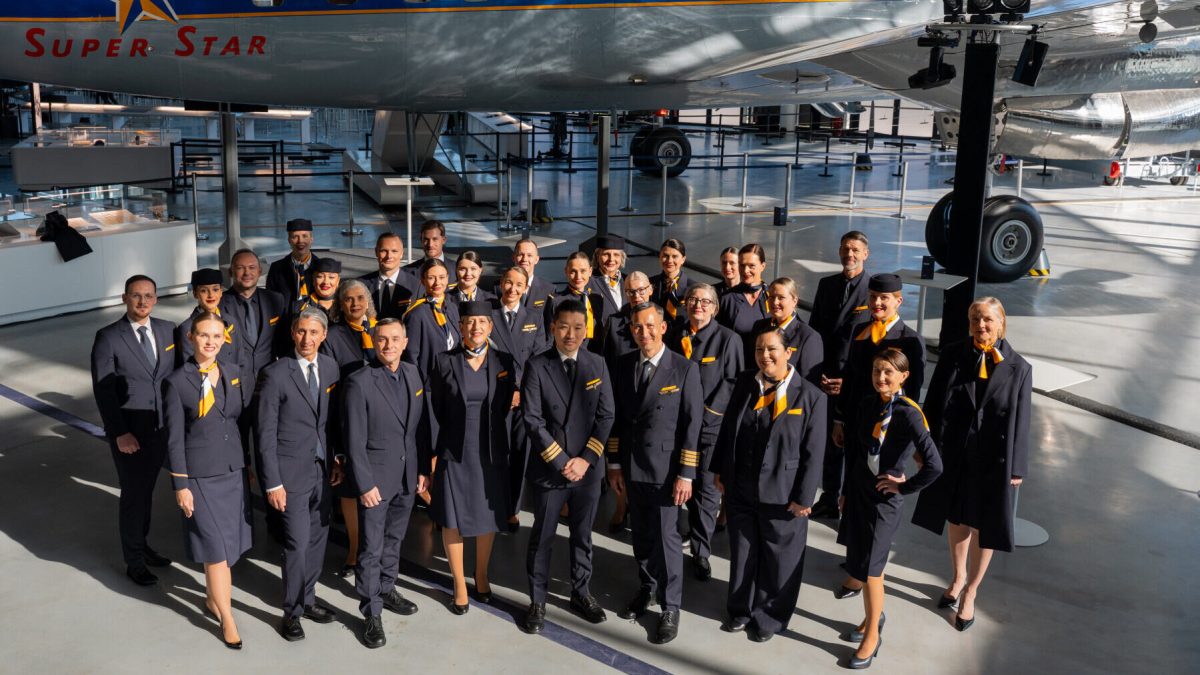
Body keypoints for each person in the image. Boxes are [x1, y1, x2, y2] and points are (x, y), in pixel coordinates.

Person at [912, 298, 1032, 632]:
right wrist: (924, 448)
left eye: (989, 320)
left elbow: (1022, 421)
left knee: (985, 526)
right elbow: (933, 402)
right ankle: (957, 576)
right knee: (958, 517)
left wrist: (1017, 467)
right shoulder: (953, 354)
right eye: (976, 319)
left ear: (1002, 322)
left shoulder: (1019, 367)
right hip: (955, 452)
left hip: (993, 460)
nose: (982, 326)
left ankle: (971, 591)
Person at [712, 329, 826, 642]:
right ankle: (740, 609)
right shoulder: (747, 383)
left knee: (780, 560)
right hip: (742, 487)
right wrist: (720, 469)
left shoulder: (812, 397)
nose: (765, 355)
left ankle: (770, 617)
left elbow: (814, 453)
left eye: (772, 349)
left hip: (784, 493)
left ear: (789, 352)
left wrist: (804, 496)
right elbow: (728, 428)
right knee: (743, 551)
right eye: (760, 349)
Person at [834, 348, 942, 669]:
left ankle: (873, 638)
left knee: (872, 570)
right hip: (860, 492)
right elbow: (855, 453)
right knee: (861, 561)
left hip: (885, 501)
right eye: (876, 371)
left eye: (888, 373)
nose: (881, 378)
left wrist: (904, 486)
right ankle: (872, 619)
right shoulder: (869, 403)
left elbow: (934, 465)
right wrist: (845, 492)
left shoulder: (909, 413)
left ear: (903, 377)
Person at [607, 302, 703, 645]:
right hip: (633, 468)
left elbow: (692, 426)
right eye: (637, 327)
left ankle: (670, 605)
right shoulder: (622, 365)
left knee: (668, 541)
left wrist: (686, 474)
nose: (643, 333)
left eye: (649, 326)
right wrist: (615, 463)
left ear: (663, 328)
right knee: (643, 536)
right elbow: (617, 418)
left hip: (666, 473)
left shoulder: (683, 369)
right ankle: (647, 588)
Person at [518, 299, 615, 635]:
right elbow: (532, 418)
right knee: (542, 536)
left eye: (577, 327)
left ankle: (581, 592)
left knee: (583, 535)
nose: (570, 334)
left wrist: (585, 460)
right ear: (552, 328)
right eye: (563, 327)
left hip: (587, 471)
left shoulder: (597, 364)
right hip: (551, 469)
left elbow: (606, 416)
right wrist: (562, 462)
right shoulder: (537, 365)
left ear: (586, 330)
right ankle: (538, 600)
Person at [162, 312, 253, 649]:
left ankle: (213, 598)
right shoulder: (176, 382)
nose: (211, 341)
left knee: (227, 549)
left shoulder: (232, 373)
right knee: (215, 549)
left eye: (217, 336)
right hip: (199, 476)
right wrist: (181, 484)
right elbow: (173, 438)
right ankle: (227, 618)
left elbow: (236, 422)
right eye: (204, 335)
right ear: (191, 338)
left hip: (230, 471)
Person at [255, 308, 344, 641]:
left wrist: (336, 459)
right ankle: (291, 612)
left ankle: (308, 599)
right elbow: (264, 434)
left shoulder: (332, 368)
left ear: (323, 336)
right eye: (301, 332)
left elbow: (330, 422)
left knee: (319, 539)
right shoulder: (275, 374)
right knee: (296, 542)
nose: (307, 339)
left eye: (314, 332)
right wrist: (273, 482)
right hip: (289, 475)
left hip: (323, 471)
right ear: (292, 334)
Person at [342, 319, 430, 648]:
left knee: (394, 541)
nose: (388, 345)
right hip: (376, 480)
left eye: (395, 339)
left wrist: (422, 469)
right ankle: (371, 611)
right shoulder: (360, 382)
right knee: (371, 548)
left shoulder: (412, 374)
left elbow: (418, 429)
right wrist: (364, 484)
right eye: (382, 339)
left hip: (407, 478)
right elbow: (354, 440)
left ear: (405, 342)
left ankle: (387, 588)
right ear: (374, 342)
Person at [426, 301, 517, 614]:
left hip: (490, 451)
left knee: (486, 516)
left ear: (490, 327)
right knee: (452, 517)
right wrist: (435, 454)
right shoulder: (442, 361)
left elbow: (505, 406)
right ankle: (459, 583)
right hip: (454, 451)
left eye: (482, 322)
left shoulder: (504, 361)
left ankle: (480, 573)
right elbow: (434, 410)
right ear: (460, 327)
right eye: (469, 323)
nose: (476, 328)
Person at [91, 275, 176, 586]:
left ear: (155, 299)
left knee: (147, 491)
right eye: (136, 296)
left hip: (162, 428)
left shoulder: (169, 330)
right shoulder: (108, 337)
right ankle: (134, 560)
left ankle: (143, 546)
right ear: (124, 298)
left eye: (149, 296)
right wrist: (119, 433)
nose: (143, 302)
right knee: (133, 495)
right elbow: (104, 391)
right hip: (130, 433)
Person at [665, 283, 743, 580]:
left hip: (710, 429)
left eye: (705, 301)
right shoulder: (674, 334)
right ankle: (675, 540)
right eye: (693, 300)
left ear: (715, 307)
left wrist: (707, 415)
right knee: (678, 482)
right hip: (677, 425)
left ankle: (701, 551)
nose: (698, 305)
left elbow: (732, 381)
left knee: (706, 494)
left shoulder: (728, 340)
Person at [808, 232, 872, 519]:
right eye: (846, 249)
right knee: (828, 443)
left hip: (854, 381)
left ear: (865, 254)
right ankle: (830, 497)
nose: (850, 254)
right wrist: (819, 372)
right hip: (827, 377)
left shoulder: (872, 290)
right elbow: (816, 331)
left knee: (852, 445)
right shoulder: (827, 285)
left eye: (856, 250)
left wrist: (849, 380)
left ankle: (848, 500)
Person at [321, 279, 378, 576]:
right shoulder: (333, 337)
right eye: (348, 300)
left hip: (380, 422)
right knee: (351, 490)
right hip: (348, 419)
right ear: (340, 306)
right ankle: (355, 549)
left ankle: (375, 548)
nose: (355, 304)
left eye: (360, 298)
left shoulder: (380, 331)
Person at [832, 274, 926, 454]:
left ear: (899, 301)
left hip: (886, 424)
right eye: (873, 296)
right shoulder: (860, 331)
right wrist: (839, 419)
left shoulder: (910, 340)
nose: (876, 303)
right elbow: (849, 377)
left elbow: (912, 390)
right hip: (855, 420)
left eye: (884, 298)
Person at [223, 249, 287, 380]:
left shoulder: (276, 300)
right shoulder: (219, 305)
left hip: (270, 379)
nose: (247, 273)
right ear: (230, 272)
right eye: (240, 268)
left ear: (260, 271)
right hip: (234, 382)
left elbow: (283, 341)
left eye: (252, 267)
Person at [749, 278, 824, 385]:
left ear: (795, 301)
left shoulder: (809, 337)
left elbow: (809, 383)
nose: (775, 302)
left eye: (781, 298)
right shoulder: (759, 326)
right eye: (771, 297)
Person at [402, 259, 461, 378]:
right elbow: (411, 357)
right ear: (422, 281)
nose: (437, 282)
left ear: (448, 278)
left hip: (453, 379)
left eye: (442, 277)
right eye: (431, 278)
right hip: (429, 385)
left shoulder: (452, 307)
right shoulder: (416, 314)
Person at [175, 268, 235, 368]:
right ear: (195, 293)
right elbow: (190, 367)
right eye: (204, 290)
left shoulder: (231, 321)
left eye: (215, 289)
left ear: (221, 292)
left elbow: (241, 360)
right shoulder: (187, 327)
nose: (211, 295)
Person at [552, 251, 605, 354]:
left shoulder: (597, 298)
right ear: (566, 272)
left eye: (583, 271)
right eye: (573, 271)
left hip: (595, 355)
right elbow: (550, 338)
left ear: (590, 271)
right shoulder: (557, 301)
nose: (578, 276)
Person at [267, 218, 322, 313]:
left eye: (305, 236)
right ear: (289, 240)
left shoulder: (322, 267)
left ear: (311, 239)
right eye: (295, 237)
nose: (300, 241)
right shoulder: (276, 268)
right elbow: (270, 302)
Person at [360, 232, 420, 320]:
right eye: (383, 251)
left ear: (402, 253)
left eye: (394, 251)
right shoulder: (361, 285)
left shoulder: (416, 285)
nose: (389, 256)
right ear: (376, 252)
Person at [718, 244, 770, 336]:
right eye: (742, 265)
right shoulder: (727, 298)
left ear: (763, 266)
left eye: (751, 266)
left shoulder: (772, 295)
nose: (745, 270)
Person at [649, 238, 692, 325]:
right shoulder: (649, 283)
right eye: (665, 255)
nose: (669, 261)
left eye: (675, 256)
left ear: (683, 259)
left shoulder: (693, 287)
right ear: (660, 257)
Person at [509, 237, 556, 311]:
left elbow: (549, 320)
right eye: (520, 254)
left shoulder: (548, 289)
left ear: (536, 259)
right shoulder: (499, 287)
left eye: (529, 255)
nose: (524, 259)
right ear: (513, 257)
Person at [590, 234, 627, 323]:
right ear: (597, 256)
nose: (611, 259)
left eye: (616, 255)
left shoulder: (628, 280)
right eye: (606, 254)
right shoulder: (589, 282)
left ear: (622, 258)